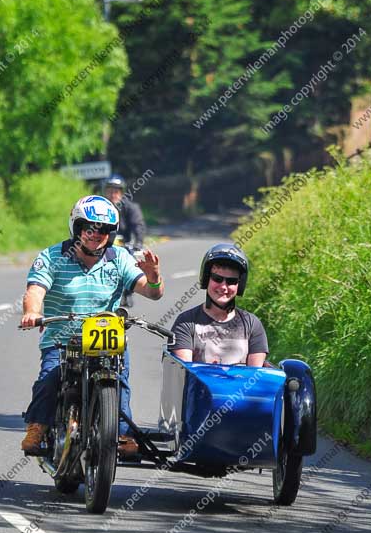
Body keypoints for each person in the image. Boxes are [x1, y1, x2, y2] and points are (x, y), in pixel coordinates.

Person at [20, 195, 164, 457]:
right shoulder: (51, 256)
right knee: (49, 378)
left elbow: (152, 292)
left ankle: (121, 434)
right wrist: (32, 312)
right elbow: (35, 290)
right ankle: (37, 426)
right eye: (90, 228)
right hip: (62, 338)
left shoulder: (120, 257)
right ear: (77, 228)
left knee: (120, 381)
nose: (96, 235)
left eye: (104, 230)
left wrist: (153, 277)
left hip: (105, 337)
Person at [169, 244, 268, 366]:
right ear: (207, 279)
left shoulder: (252, 324)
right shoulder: (186, 322)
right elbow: (184, 372)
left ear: (239, 285)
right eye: (217, 279)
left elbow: (255, 377)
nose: (223, 287)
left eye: (231, 281)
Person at [104, 174, 146, 248]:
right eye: (110, 192)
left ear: (121, 193)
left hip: (125, 246)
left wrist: (138, 242)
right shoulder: (99, 207)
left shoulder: (131, 208)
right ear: (105, 192)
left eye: (116, 192)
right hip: (102, 247)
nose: (113, 195)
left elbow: (138, 225)